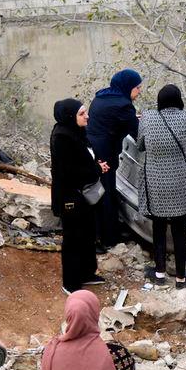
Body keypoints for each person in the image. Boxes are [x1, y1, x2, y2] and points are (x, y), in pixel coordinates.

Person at [136, 84, 186, 289]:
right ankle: (181, 278)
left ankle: (160, 273)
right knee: (180, 230)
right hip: (179, 180)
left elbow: (140, 145)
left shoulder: (147, 117)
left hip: (155, 179)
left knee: (159, 228)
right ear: (178, 99)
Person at [50, 98, 109, 295]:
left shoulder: (76, 132)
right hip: (70, 197)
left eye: (85, 112)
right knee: (73, 239)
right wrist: (96, 169)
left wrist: (96, 164)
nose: (87, 116)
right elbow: (71, 171)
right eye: (82, 113)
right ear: (70, 116)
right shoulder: (62, 138)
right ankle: (71, 282)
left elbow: (86, 156)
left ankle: (86, 273)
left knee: (87, 234)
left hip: (83, 196)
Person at [87, 69, 143, 252]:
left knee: (101, 192)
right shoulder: (124, 106)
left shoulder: (102, 97)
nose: (139, 91)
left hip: (95, 150)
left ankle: (103, 234)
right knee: (106, 194)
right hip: (105, 155)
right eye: (137, 87)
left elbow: (112, 120)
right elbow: (139, 135)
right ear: (128, 87)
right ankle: (107, 238)